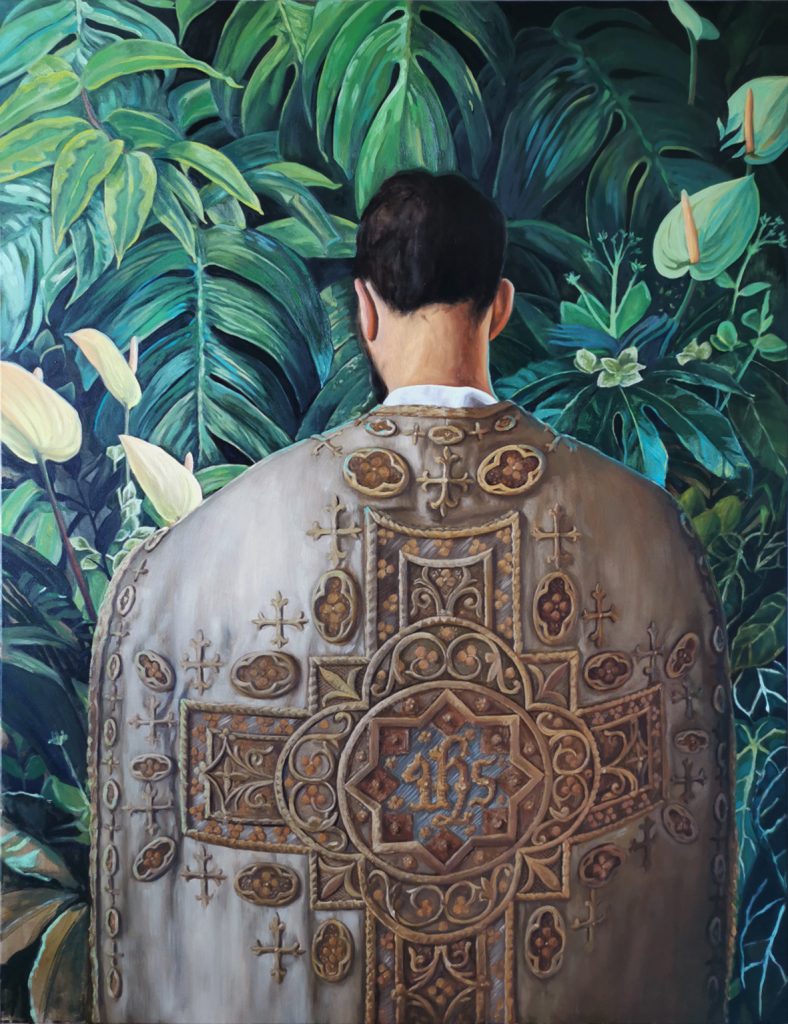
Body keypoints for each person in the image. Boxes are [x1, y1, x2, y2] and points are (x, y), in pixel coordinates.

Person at [89, 170, 735, 1024]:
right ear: (500, 308)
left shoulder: (224, 537)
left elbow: (156, 678)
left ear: (364, 309)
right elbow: (674, 813)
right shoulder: (642, 527)